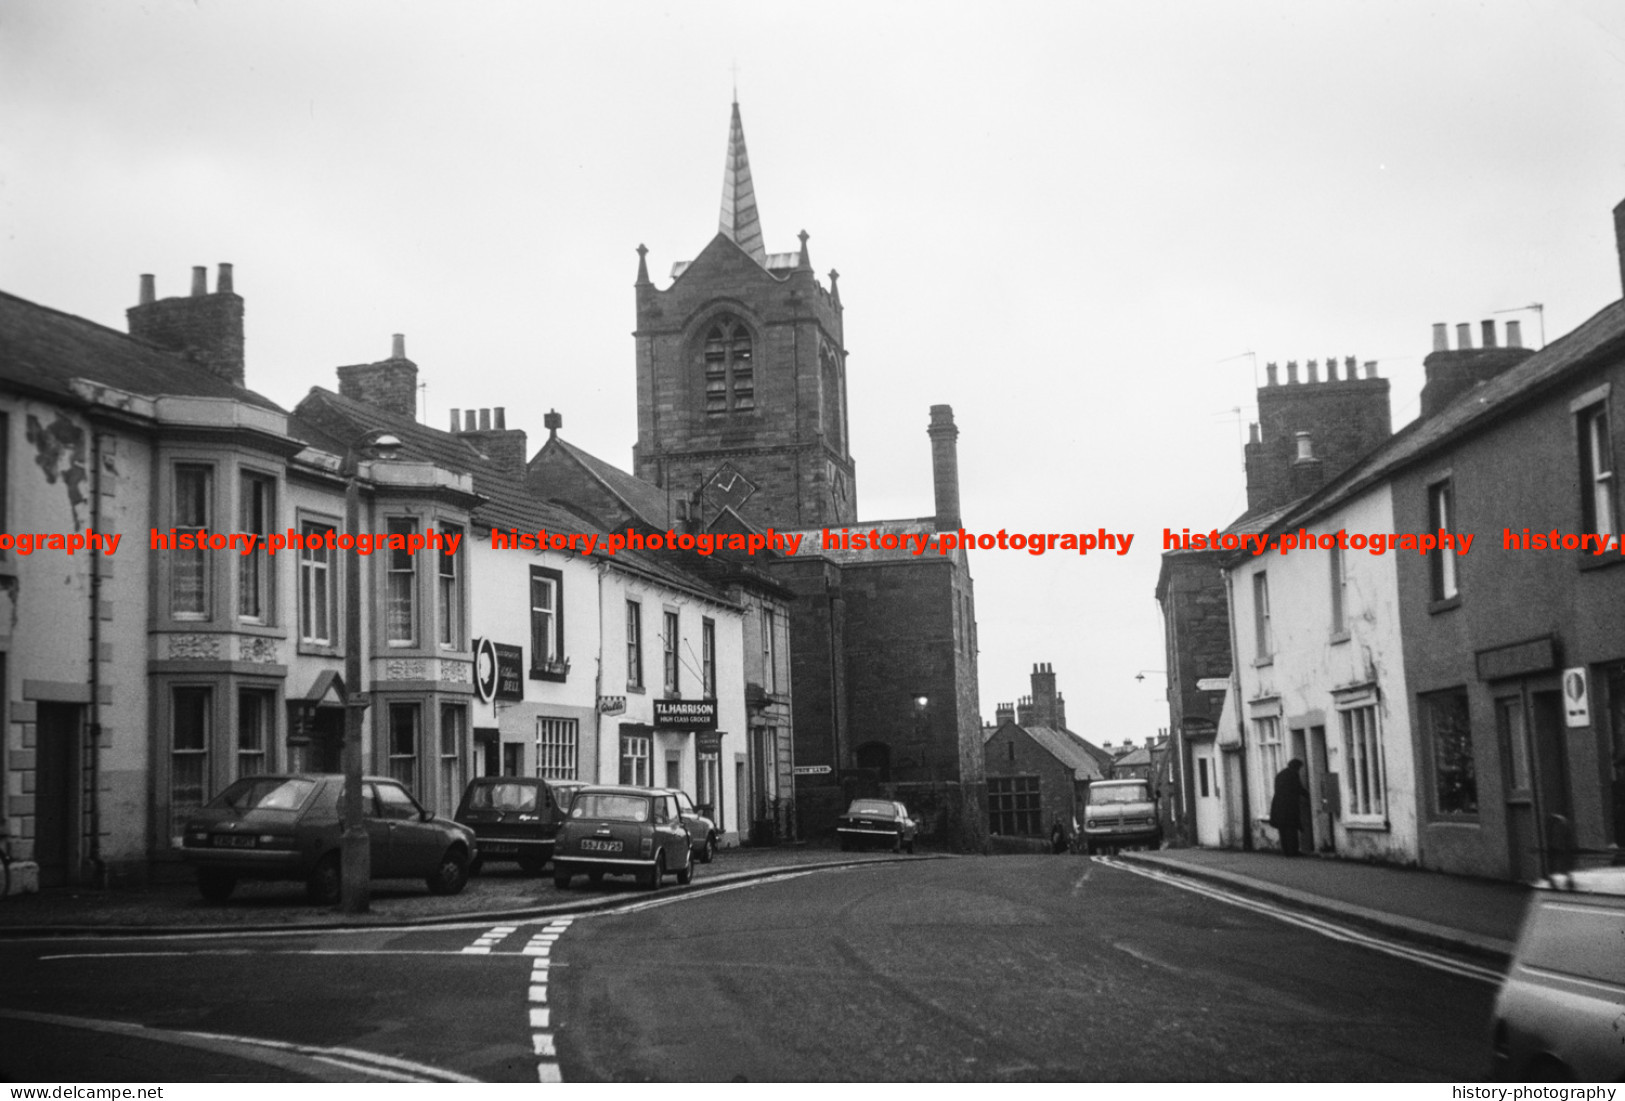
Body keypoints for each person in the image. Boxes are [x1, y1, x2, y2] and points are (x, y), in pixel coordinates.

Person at [1269, 758, 1309, 856]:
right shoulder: (1293, 774)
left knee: (1283, 830)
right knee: (1291, 829)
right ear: (1297, 767)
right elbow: (1298, 788)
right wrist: (1309, 795)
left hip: (1278, 805)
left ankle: (1286, 851)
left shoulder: (1280, 774)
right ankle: (1293, 851)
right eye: (1299, 768)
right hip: (1289, 806)